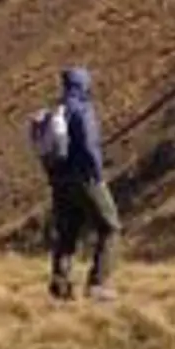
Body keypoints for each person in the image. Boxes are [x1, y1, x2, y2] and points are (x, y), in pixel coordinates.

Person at [34, 64, 119, 302]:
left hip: (60, 182)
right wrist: (98, 174)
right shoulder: (82, 110)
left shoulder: (58, 111)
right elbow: (90, 145)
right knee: (110, 227)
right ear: (84, 84)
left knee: (67, 234)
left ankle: (60, 286)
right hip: (85, 178)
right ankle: (99, 284)